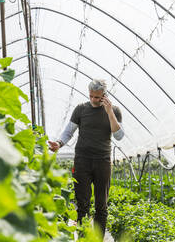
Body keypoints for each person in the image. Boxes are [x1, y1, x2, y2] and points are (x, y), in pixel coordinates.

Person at [48, 79, 124, 237]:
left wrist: (109, 111)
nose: (94, 100)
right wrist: (59, 143)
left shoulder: (115, 111)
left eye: (98, 97)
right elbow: (69, 131)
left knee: (101, 206)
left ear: (105, 95)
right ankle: (83, 239)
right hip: (82, 161)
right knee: (82, 205)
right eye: (91, 96)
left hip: (103, 162)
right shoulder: (81, 109)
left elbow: (119, 136)